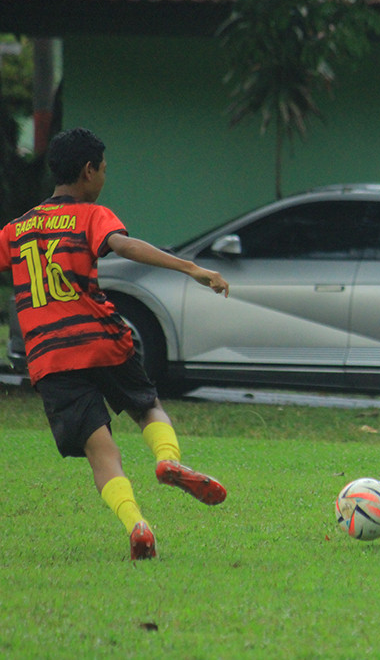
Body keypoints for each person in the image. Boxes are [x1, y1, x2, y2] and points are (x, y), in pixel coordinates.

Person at [0, 127, 230, 561]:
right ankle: (166, 459)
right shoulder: (90, 215)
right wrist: (189, 268)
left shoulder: (16, 229)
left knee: (100, 451)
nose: (105, 178)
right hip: (100, 339)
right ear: (88, 171)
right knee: (146, 405)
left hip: (50, 357)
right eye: (104, 170)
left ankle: (137, 525)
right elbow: (123, 246)